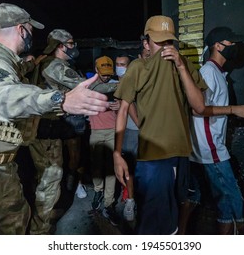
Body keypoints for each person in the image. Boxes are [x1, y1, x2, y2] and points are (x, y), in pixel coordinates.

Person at [0, 3, 109, 235]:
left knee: (17, 224)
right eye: (30, 29)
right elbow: (3, 96)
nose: (31, 35)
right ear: (21, 30)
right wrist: (60, 100)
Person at [113, 15, 207, 234]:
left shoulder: (181, 64)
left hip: (181, 152)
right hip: (155, 157)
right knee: (154, 223)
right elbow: (123, 108)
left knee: (172, 214)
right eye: (159, 41)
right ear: (146, 43)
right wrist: (117, 154)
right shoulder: (138, 67)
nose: (166, 47)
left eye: (169, 42)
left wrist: (182, 66)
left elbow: (199, 107)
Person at [183, 26, 244, 235]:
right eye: (231, 43)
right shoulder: (208, 72)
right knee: (231, 204)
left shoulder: (218, 73)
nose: (235, 47)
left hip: (203, 150)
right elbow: (198, 109)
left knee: (192, 197)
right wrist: (235, 110)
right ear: (218, 45)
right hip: (210, 150)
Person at [27, 29, 87, 234]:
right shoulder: (55, 65)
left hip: (39, 128)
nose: (74, 47)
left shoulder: (43, 63)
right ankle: (40, 230)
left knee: (43, 176)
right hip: (47, 130)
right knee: (51, 178)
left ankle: (39, 218)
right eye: (70, 43)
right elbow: (83, 86)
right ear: (60, 46)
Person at [88, 56, 120, 226]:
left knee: (111, 168)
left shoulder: (116, 84)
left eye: (109, 74)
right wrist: (109, 104)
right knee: (96, 167)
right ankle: (98, 191)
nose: (107, 76)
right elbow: (93, 95)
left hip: (112, 131)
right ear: (96, 69)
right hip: (95, 131)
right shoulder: (89, 84)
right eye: (104, 73)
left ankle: (108, 203)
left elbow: (125, 102)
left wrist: (120, 105)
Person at [114, 52, 138, 222]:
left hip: (140, 130)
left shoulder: (135, 79)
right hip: (129, 131)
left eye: (123, 64)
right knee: (129, 168)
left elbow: (130, 106)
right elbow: (123, 109)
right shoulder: (115, 83)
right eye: (118, 64)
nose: (119, 68)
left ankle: (137, 198)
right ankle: (130, 200)